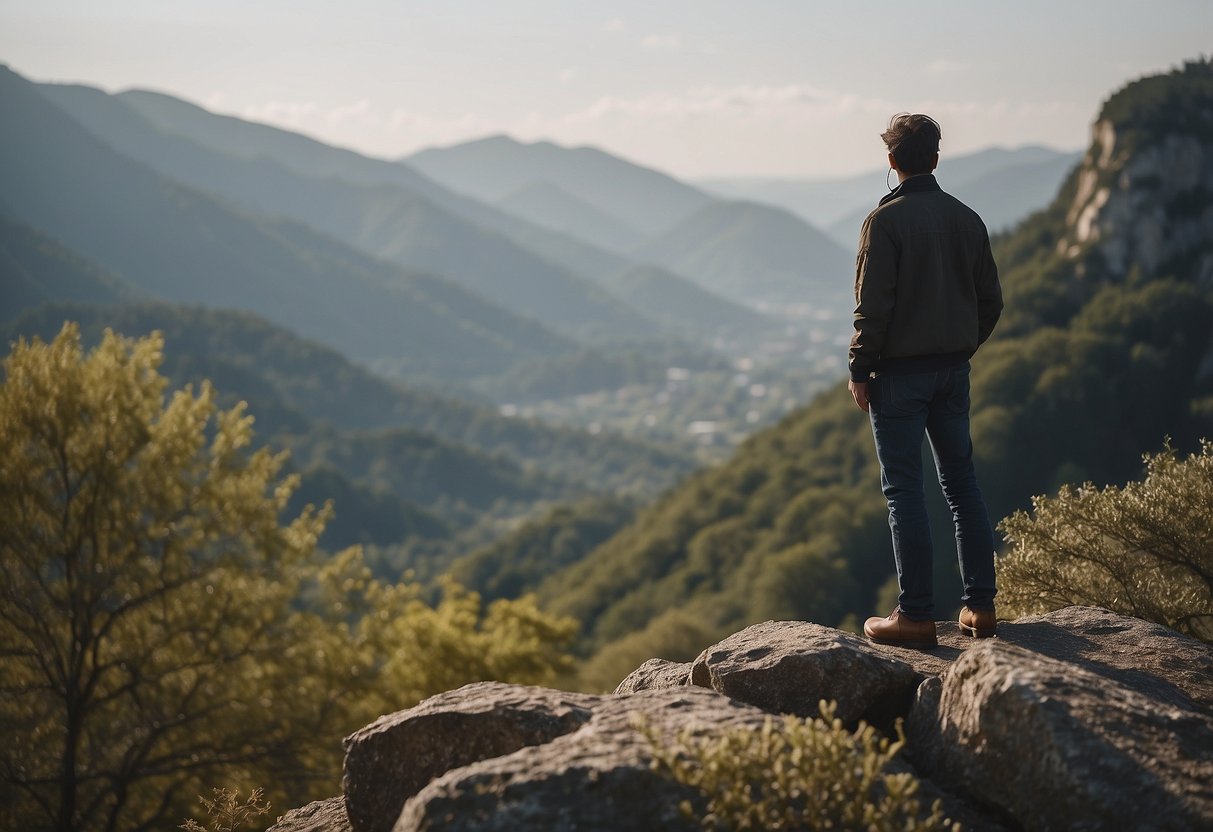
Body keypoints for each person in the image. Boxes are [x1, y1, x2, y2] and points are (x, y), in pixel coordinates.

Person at [848, 113, 1003, 648]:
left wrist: (860, 369)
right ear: (936, 157)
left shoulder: (884, 223)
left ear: (892, 161)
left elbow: (873, 308)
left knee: (905, 493)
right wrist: (960, 347)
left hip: (899, 379)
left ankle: (914, 616)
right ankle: (980, 608)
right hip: (951, 372)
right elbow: (991, 302)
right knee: (962, 485)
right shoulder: (968, 219)